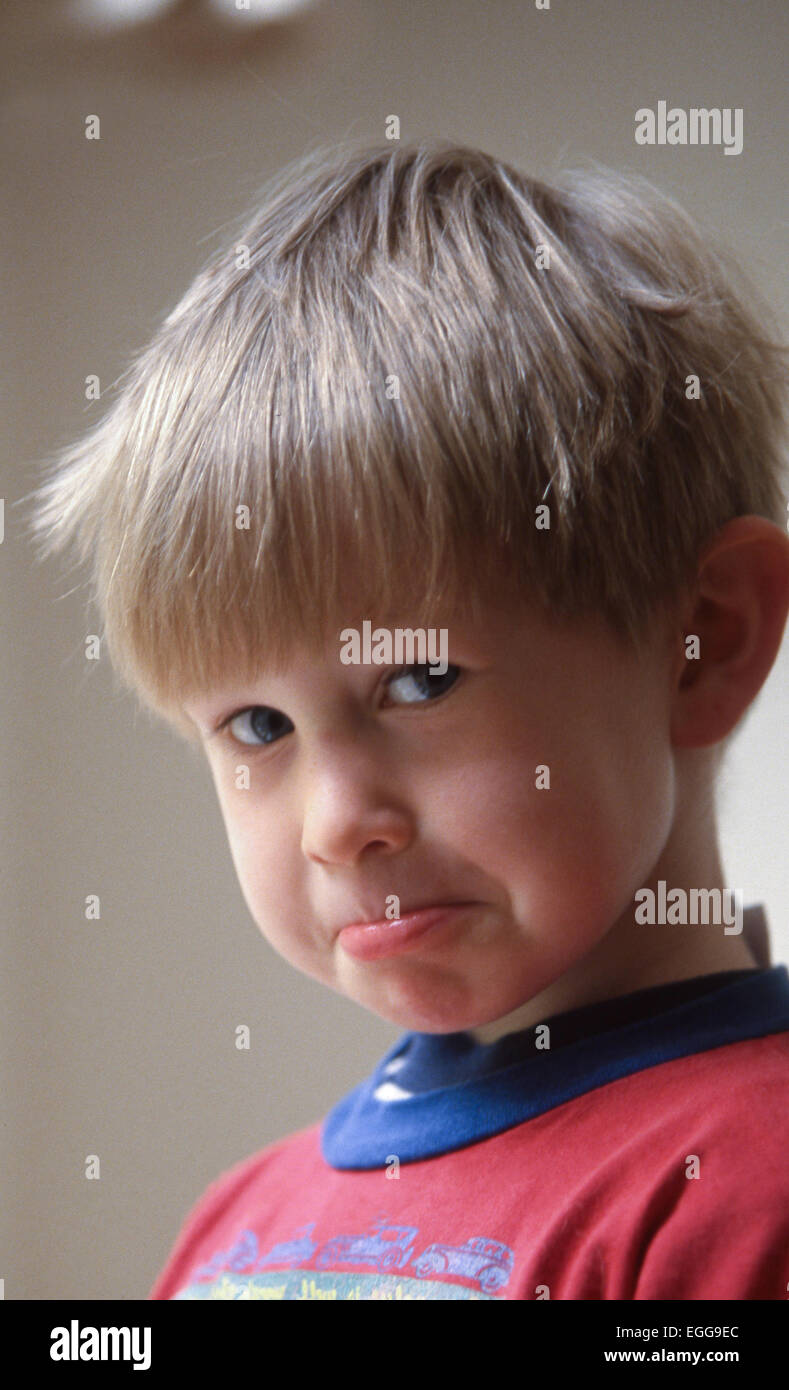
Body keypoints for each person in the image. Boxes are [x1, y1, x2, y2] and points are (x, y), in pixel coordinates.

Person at [23, 139, 789, 1300]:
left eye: (420, 683)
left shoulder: (741, 1186)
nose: (338, 823)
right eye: (257, 727)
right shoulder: (237, 1229)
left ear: (706, 640)